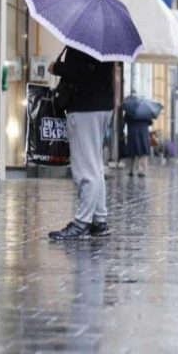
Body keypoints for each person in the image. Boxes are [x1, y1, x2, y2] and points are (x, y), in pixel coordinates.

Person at [47, 46, 117, 240]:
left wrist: (56, 67)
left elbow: (79, 71)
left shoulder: (83, 43)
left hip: (85, 107)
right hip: (103, 105)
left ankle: (81, 223)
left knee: (85, 168)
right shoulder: (106, 45)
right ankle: (99, 220)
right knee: (95, 166)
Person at [123, 97, 151, 178]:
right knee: (143, 152)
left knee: (132, 152)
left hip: (132, 133)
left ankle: (131, 170)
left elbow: (125, 120)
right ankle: (141, 171)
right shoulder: (145, 111)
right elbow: (150, 122)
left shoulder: (129, 111)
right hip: (143, 134)